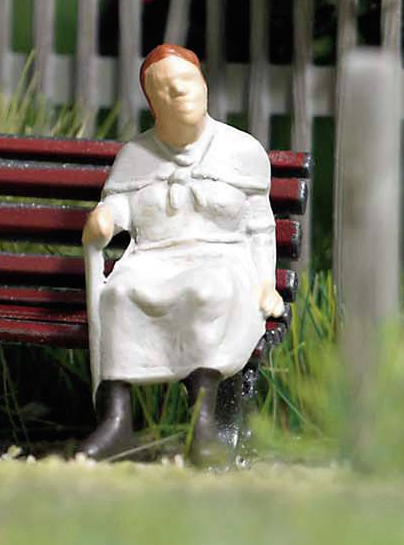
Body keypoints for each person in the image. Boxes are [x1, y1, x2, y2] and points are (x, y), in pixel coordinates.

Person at [76, 44, 284, 466]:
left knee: (206, 292)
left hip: (223, 258)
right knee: (118, 295)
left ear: (204, 87)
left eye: (188, 83)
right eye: (167, 90)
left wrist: (265, 282)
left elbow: (260, 227)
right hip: (153, 258)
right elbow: (122, 208)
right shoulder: (136, 156)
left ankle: (201, 423)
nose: (181, 94)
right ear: (154, 104)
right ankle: (117, 419)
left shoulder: (242, 151)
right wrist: (105, 219)